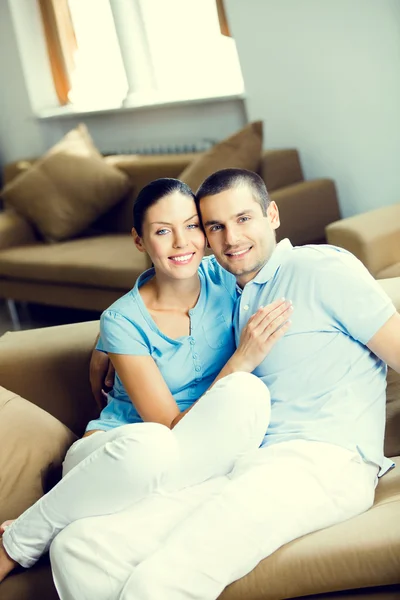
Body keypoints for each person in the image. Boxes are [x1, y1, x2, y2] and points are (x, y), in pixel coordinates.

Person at [49, 168, 400, 600]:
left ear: (272, 214)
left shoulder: (320, 268)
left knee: (158, 583)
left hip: (320, 463)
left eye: (244, 219)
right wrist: (105, 341)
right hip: (241, 463)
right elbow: (161, 293)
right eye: (215, 226)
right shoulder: (230, 289)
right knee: (79, 548)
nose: (231, 237)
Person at [0, 177, 292, 583]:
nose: (181, 243)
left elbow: (277, 264)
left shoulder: (225, 278)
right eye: (162, 231)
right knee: (154, 446)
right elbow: (171, 428)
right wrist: (240, 360)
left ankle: (85, 526)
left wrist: (103, 344)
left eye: (192, 226)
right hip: (119, 453)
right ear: (140, 240)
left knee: (248, 396)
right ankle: (20, 539)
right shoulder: (123, 321)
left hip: (185, 465)